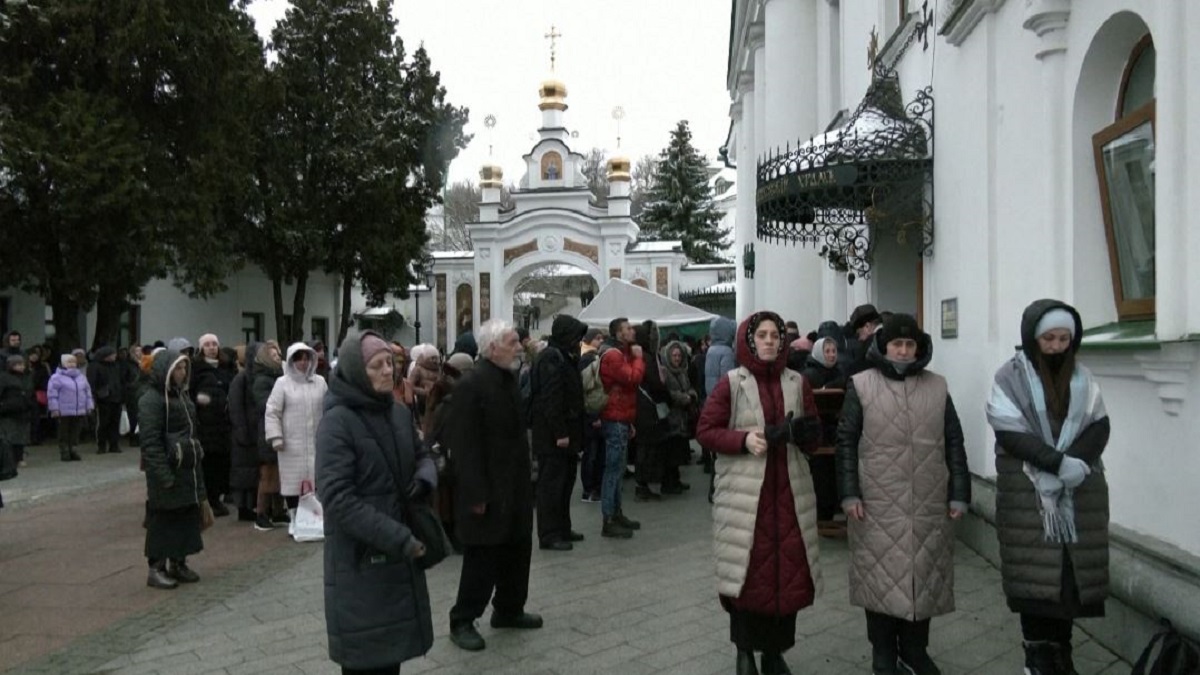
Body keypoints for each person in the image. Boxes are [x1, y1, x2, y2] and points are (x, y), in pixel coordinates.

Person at [835, 313, 970, 675]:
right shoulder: (861, 385)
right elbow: (846, 441)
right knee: (880, 578)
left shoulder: (937, 386)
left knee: (921, 577)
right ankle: (883, 650)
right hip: (877, 501)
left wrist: (959, 491)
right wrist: (849, 493)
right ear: (883, 345)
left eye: (910, 345)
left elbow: (954, 441)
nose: (904, 351)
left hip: (927, 499)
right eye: (897, 344)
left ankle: (914, 649)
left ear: (919, 347)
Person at [985, 300, 1110, 675]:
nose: (1057, 346)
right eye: (1049, 339)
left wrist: (1078, 463)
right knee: (1035, 582)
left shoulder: (1084, 379)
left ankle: (1062, 655)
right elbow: (1009, 431)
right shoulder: (1009, 377)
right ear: (1033, 338)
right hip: (1028, 497)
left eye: (1064, 338)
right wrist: (1056, 464)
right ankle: (1038, 660)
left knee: (1068, 584)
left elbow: (1099, 426)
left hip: (1077, 496)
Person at [696, 311, 823, 675]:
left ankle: (774, 651)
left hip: (789, 494)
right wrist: (742, 439)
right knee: (747, 575)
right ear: (749, 341)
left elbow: (815, 438)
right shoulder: (732, 383)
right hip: (745, 498)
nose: (769, 341)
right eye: (762, 335)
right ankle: (745, 651)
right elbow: (705, 429)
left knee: (786, 576)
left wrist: (802, 432)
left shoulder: (798, 382)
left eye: (775, 335)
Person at [316, 331, 437, 675]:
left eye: (391, 363)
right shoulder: (337, 423)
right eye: (377, 365)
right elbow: (337, 498)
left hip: (397, 561)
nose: (388, 371)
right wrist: (398, 538)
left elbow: (422, 453)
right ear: (356, 371)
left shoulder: (397, 413)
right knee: (366, 659)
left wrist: (426, 477)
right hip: (360, 561)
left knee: (390, 658)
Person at [445, 319, 542, 651]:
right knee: (483, 556)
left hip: (515, 484)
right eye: (513, 342)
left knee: (518, 548)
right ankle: (463, 618)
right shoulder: (471, 385)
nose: (519, 347)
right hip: (487, 489)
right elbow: (464, 445)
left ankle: (509, 608)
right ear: (492, 348)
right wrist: (475, 493)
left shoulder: (507, 378)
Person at [139, 348, 206, 590]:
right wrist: (164, 475)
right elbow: (150, 442)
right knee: (163, 521)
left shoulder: (182, 396)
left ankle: (178, 562)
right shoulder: (151, 400)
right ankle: (155, 568)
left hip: (186, 467)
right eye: (178, 368)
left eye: (184, 367)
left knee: (185, 517)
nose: (182, 372)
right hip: (167, 471)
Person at [530, 315, 588, 551]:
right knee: (552, 485)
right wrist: (560, 432)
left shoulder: (563, 356)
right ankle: (549, 533)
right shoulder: (551, 358)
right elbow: (551, 399)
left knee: (565, 483)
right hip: (554, 436)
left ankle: (562, 527)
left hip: (566, 432)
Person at [265, 342, 328, 531]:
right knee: (294, 484)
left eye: (306, 358)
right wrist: (276, 437)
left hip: (316, 441)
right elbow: (272, 411)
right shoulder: (282, 384)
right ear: (292, 361)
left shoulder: (320, 383)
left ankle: (315, 519)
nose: (303, 362)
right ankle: (294, 519)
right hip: (291, 444)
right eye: (298, 358)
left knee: (316, 481)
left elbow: (328, 409)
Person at [597, 317, 645, 539]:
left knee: (618, 467)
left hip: (621, 417)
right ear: (618, 333)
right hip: (614, 417)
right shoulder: (614, 356)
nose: (632, 330)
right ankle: (608, 518)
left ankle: (616, 513)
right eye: (627, 328)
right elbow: (632, 378)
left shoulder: (619, 353)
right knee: (613, 469)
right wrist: (638, 359)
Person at [423, 351, 474, 552]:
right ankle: (453, 536)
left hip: (447, 453)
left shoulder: (447, 390)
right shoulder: (449, 394)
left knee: (448, 496)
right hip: (449, 454)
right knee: (449, 496)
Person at [191, 334, 236, 517]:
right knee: (208, 464)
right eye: (207, 345)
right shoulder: (197, 369)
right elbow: (191, 393)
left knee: (223, 463)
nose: (211, 347)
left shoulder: (226, 368)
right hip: (206, 426)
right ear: (201, 348)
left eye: (214, 344)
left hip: (224, 425)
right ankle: (209, 500)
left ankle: (217, 496)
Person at [632, 321, 670, 501]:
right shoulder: (647, 357)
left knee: (645, 448)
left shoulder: (642, 356)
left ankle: (644, 485)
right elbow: (655, 384)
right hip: (649, 409)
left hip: (643, 409)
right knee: (649, 450)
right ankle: (646, 485)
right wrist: (666, 392)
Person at [250, 340, 285, 531]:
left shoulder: (278, 377)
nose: (278, 358)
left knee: (279, 473)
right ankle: (261, 513)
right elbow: (264, 404)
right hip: (267, 430)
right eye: (273, 356)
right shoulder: (263, 379)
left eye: (278, 355)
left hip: (278, 428)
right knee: (268, 475)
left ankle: (278, 511)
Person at [228, 342, 263, 522]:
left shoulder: (260, 377)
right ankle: (243, 507)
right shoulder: (241, 379)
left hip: (256, 432)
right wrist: (241, 431)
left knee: (254, 473)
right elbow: (235, 406)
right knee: (244, 475)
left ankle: (254, 505)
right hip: (245, 435)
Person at [660, 339, 697, 494]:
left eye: (679, 355)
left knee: (677, 452)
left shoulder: (682, 371)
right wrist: (686, 398)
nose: (677, 358)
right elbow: (669, 394)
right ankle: (669, 483)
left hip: (681, 417)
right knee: (671, 453)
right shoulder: (665, 372)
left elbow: (689, 388)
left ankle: (675, 480)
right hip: (671, 417)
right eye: (674, 355)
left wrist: (691, 395)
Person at [577, 328, 607, 504]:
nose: (601, 341)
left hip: (595, 413)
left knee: (595, 452)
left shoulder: (591, 357)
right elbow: (588, 389)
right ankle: (589, 489)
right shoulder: (589, 359)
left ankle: (593, 487)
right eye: (598, 338)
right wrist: (593, 415)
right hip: (592, 414)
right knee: (592, 453)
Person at [48, 354, 92, 461]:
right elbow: (52, 394)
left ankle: (73, 449)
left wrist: (89, 405)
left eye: (73, 362)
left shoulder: (81, 377)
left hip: (79, 410)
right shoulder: (56, 378)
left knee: (75, 431)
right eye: (69, 362)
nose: (72, 364)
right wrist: (54, 409)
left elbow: (87, 392)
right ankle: (64, 451)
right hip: (63, 410)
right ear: (63, 363)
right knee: (63, 432)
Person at [87, 345, 125, 454]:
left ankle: (114, 444)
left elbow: (120, 381)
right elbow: (92, 383)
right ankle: (101, 445)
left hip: (116, 398)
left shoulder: (116, 366)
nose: (115, 356)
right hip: (103, 399)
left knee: (115, 422)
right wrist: (94, 397)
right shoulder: (95, 366)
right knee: (103, 423)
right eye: (112, 354)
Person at [0, 354, 35, 468]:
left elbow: (31, 393)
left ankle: (19, 458)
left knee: (21, 437)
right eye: (17, 364)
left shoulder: (27, 377)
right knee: (9, 437)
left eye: (22, 364)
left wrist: (31, 405)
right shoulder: (4, 377)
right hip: (8, 411)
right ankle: (8, 460)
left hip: (23, 410)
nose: (21, 367)